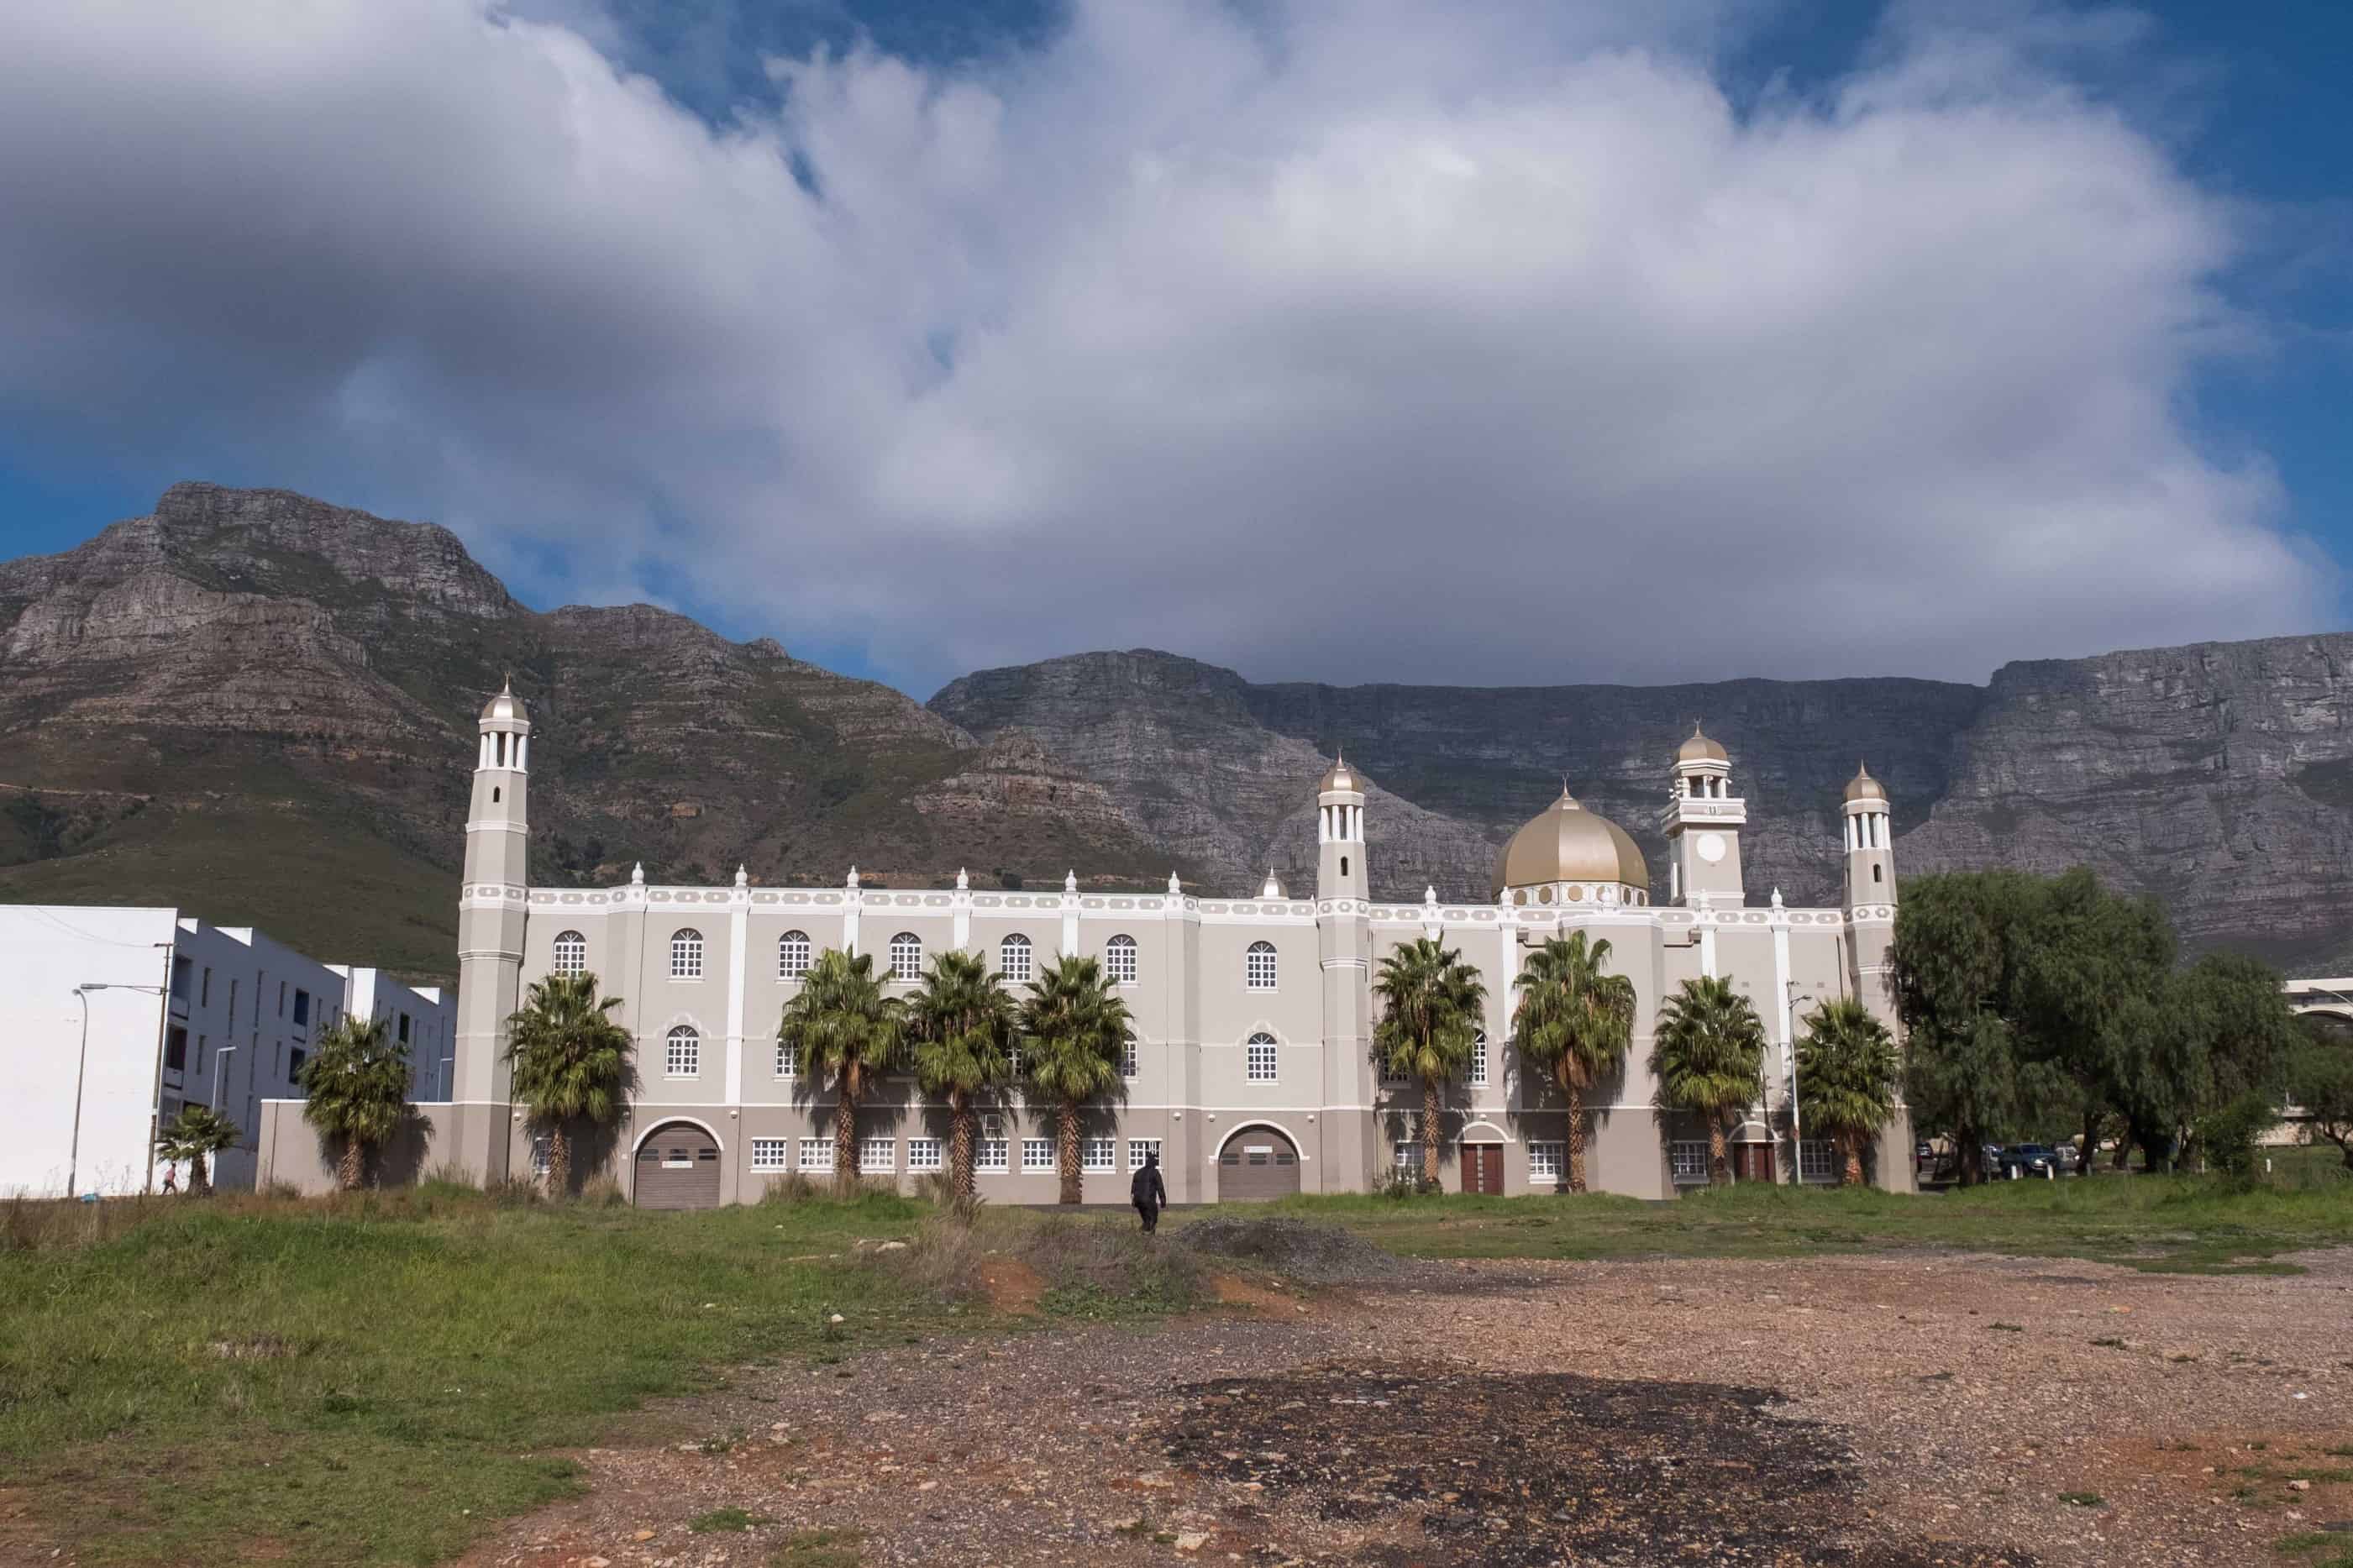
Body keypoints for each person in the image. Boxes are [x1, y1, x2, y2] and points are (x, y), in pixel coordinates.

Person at [1130, 1148, 1167, 1233]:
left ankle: (1141, 1236)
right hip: (1149, 1201)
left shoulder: (1138, 1172)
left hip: (1138, 1201)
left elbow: (1133, 1189)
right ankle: (1149, 1239)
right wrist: (1163, 1201)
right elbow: (1160, 1187)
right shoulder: (1155, 1172)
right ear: (1154, 1162)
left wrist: (1133, 1201)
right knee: (1153, 1220)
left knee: (1147, 1220)